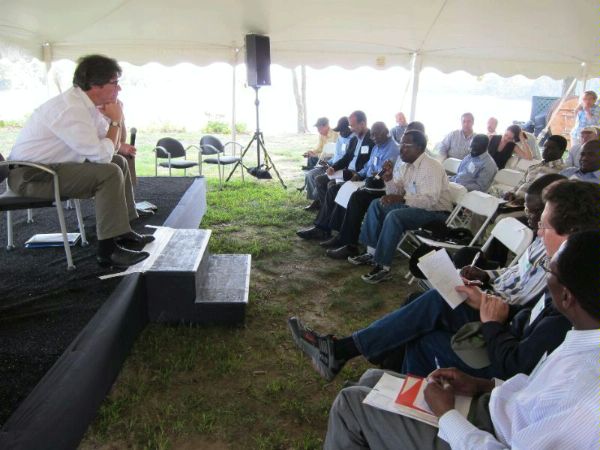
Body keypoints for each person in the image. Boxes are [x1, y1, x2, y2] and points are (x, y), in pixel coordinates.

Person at [289, 176, 599, 385]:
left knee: (431, 316)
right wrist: (486, 280)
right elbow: (516, 280)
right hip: (498, 311)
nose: (537, 230)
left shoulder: (572, 293)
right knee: (424, 305)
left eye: (543, 224)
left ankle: (353, 359)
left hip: (501, 330)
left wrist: (491, 316)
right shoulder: (553, 257)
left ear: (571, 232)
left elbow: (521, 358)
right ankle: (361, 363)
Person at [323, 229, 600, 450]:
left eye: (549, 271)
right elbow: (537, 394)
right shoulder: (582, 338)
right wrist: (483, 385)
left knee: (351, 403)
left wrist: (447, 416)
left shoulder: (588, 390)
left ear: (566, 296)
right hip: (494, 406)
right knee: (372, 380)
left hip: (483, 432)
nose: (544, 276)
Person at [8, 54, 153, 269]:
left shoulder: (85, 105)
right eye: (114, 83)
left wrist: (114, 119)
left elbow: (108, 144)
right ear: (95, 85)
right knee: (109, 171)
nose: (119, 89)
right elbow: (102, 153)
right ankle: (108, 251)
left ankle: (122, 231)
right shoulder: (71, 109)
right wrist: (115, 119)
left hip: (51, 169)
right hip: (31, 176)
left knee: (119, 162)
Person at [353, 130, 453, 283]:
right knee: (377, 204)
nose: (401, 149)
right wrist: (389, 178)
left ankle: (383, 266)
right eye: (401, 144)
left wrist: (401, 198)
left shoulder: (431, 167)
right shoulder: (407, 166)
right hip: (415, 207)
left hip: (436, 213)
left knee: (395, 216)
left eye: (406, 145)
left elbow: (429, 201)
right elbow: (396, 191)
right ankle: (371, 252)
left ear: (419, 148)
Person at [322, 122, 425, 258]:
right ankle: (337, 232)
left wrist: (386, 180)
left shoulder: (395, 150)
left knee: (357, 197)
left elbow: (385, 176)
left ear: (386, 132)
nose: (372, 137)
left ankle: (349, 243)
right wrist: (359, 174)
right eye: (371, 134)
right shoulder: (377, 147)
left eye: (375, 134)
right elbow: (369, 166)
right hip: (378, 183)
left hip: (381, 186)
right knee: (339, 189)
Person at [296, 111, 374, 241]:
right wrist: (333, 167)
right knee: (321, 180)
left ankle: (323, 228)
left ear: (363, 123)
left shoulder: (371, 139)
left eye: (353, 125)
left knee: (332, 187)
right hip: (347, 171)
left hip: (357, 175)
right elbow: (347, 157)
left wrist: (357, 174)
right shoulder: (355, 138)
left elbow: (369, 165)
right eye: (350, 125)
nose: (351, 129)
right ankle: (327, 220)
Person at [303, 116, 352, 210]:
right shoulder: (340, 139)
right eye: (340, 131)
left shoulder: (347, 139)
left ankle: (320, 203)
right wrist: (314, 155)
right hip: (328, 161)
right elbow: (320, 150)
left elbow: (342, 159)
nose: (341, 133)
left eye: (319, 127)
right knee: (310, 173)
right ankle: (316, 200)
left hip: (337, 166)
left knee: (319, 178)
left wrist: (323, 160)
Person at [504, 134, 567, 202]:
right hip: (514, 202)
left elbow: (552, 198)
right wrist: (511, 193)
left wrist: (526, 201)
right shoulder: (534, 167)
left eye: (550, 148)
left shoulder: (562, 171)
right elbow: (519, 185)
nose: (545, 150)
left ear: (561, 151)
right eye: (544, 147)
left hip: (532, 207)